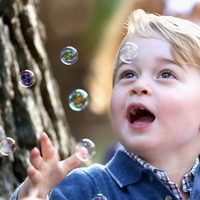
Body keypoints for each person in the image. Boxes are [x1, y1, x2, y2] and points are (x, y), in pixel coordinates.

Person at [11, 9, 200, 200]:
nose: (139, 85)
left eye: (166, 74)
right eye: (128, 74)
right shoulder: (84, 188)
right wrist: (32, 195)